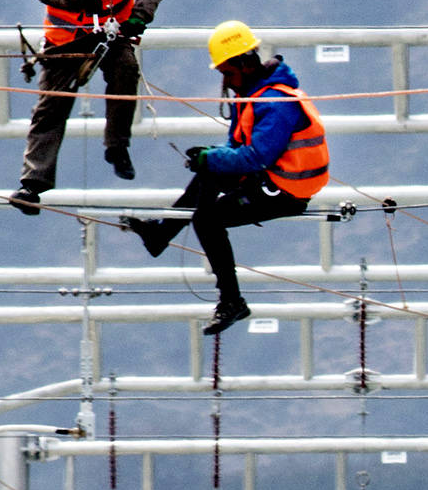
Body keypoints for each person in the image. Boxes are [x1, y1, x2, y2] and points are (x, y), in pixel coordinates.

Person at [121, 20, 329, 335]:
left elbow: (256, 156)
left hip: (285, 192)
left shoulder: (275, 104)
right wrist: (209, 156)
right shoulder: (254, 95)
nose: (226, 82)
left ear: (245, 65)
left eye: (228, 73)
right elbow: (237, 149)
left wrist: (212, 158)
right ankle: (160, 235)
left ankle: (232, 302)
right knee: (209, 172)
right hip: (271, 179)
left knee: (207, 220)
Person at [12, 0, 166, 214]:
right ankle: (32, 183)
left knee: (125, 73)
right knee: (51, 105)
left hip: (114, 30)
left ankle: (117, 147)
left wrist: (141, 14)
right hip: (66, 37)